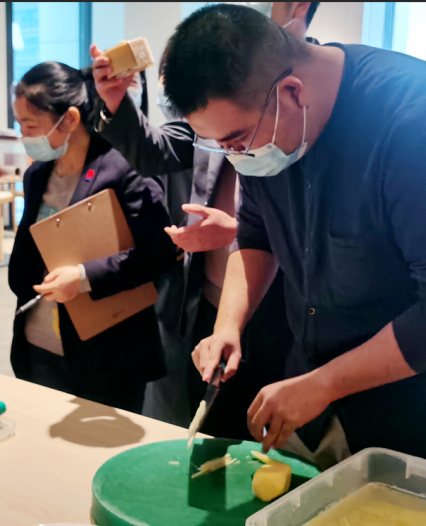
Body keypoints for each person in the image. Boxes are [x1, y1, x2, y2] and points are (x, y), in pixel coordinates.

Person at [164, 5, 426, 475]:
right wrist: (228, 326)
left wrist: (323, 385)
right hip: (320, 391)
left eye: (237, 141)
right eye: (220, 146)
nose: (236, 157)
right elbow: (257, 234)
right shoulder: (271, 131)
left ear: (292, 92)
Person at [84, 1, 318, 436]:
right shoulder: (215, 89)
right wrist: (117, 101)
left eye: (237, 138)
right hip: (210, 298)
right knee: (212, 422)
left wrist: (240, 232)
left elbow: (329, 235)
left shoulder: (311, 104)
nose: (232, 149)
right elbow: (156, 151)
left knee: (272, 433)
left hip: (282, 308)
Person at [8, 62, 175, 414]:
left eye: (31, 125)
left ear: (69, 120)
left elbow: (159, 252)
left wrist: (83, 277)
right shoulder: (38, 174)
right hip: (39, 342)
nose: (23, 135)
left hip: (107, 352)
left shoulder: (123, 166)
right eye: (19, 124)